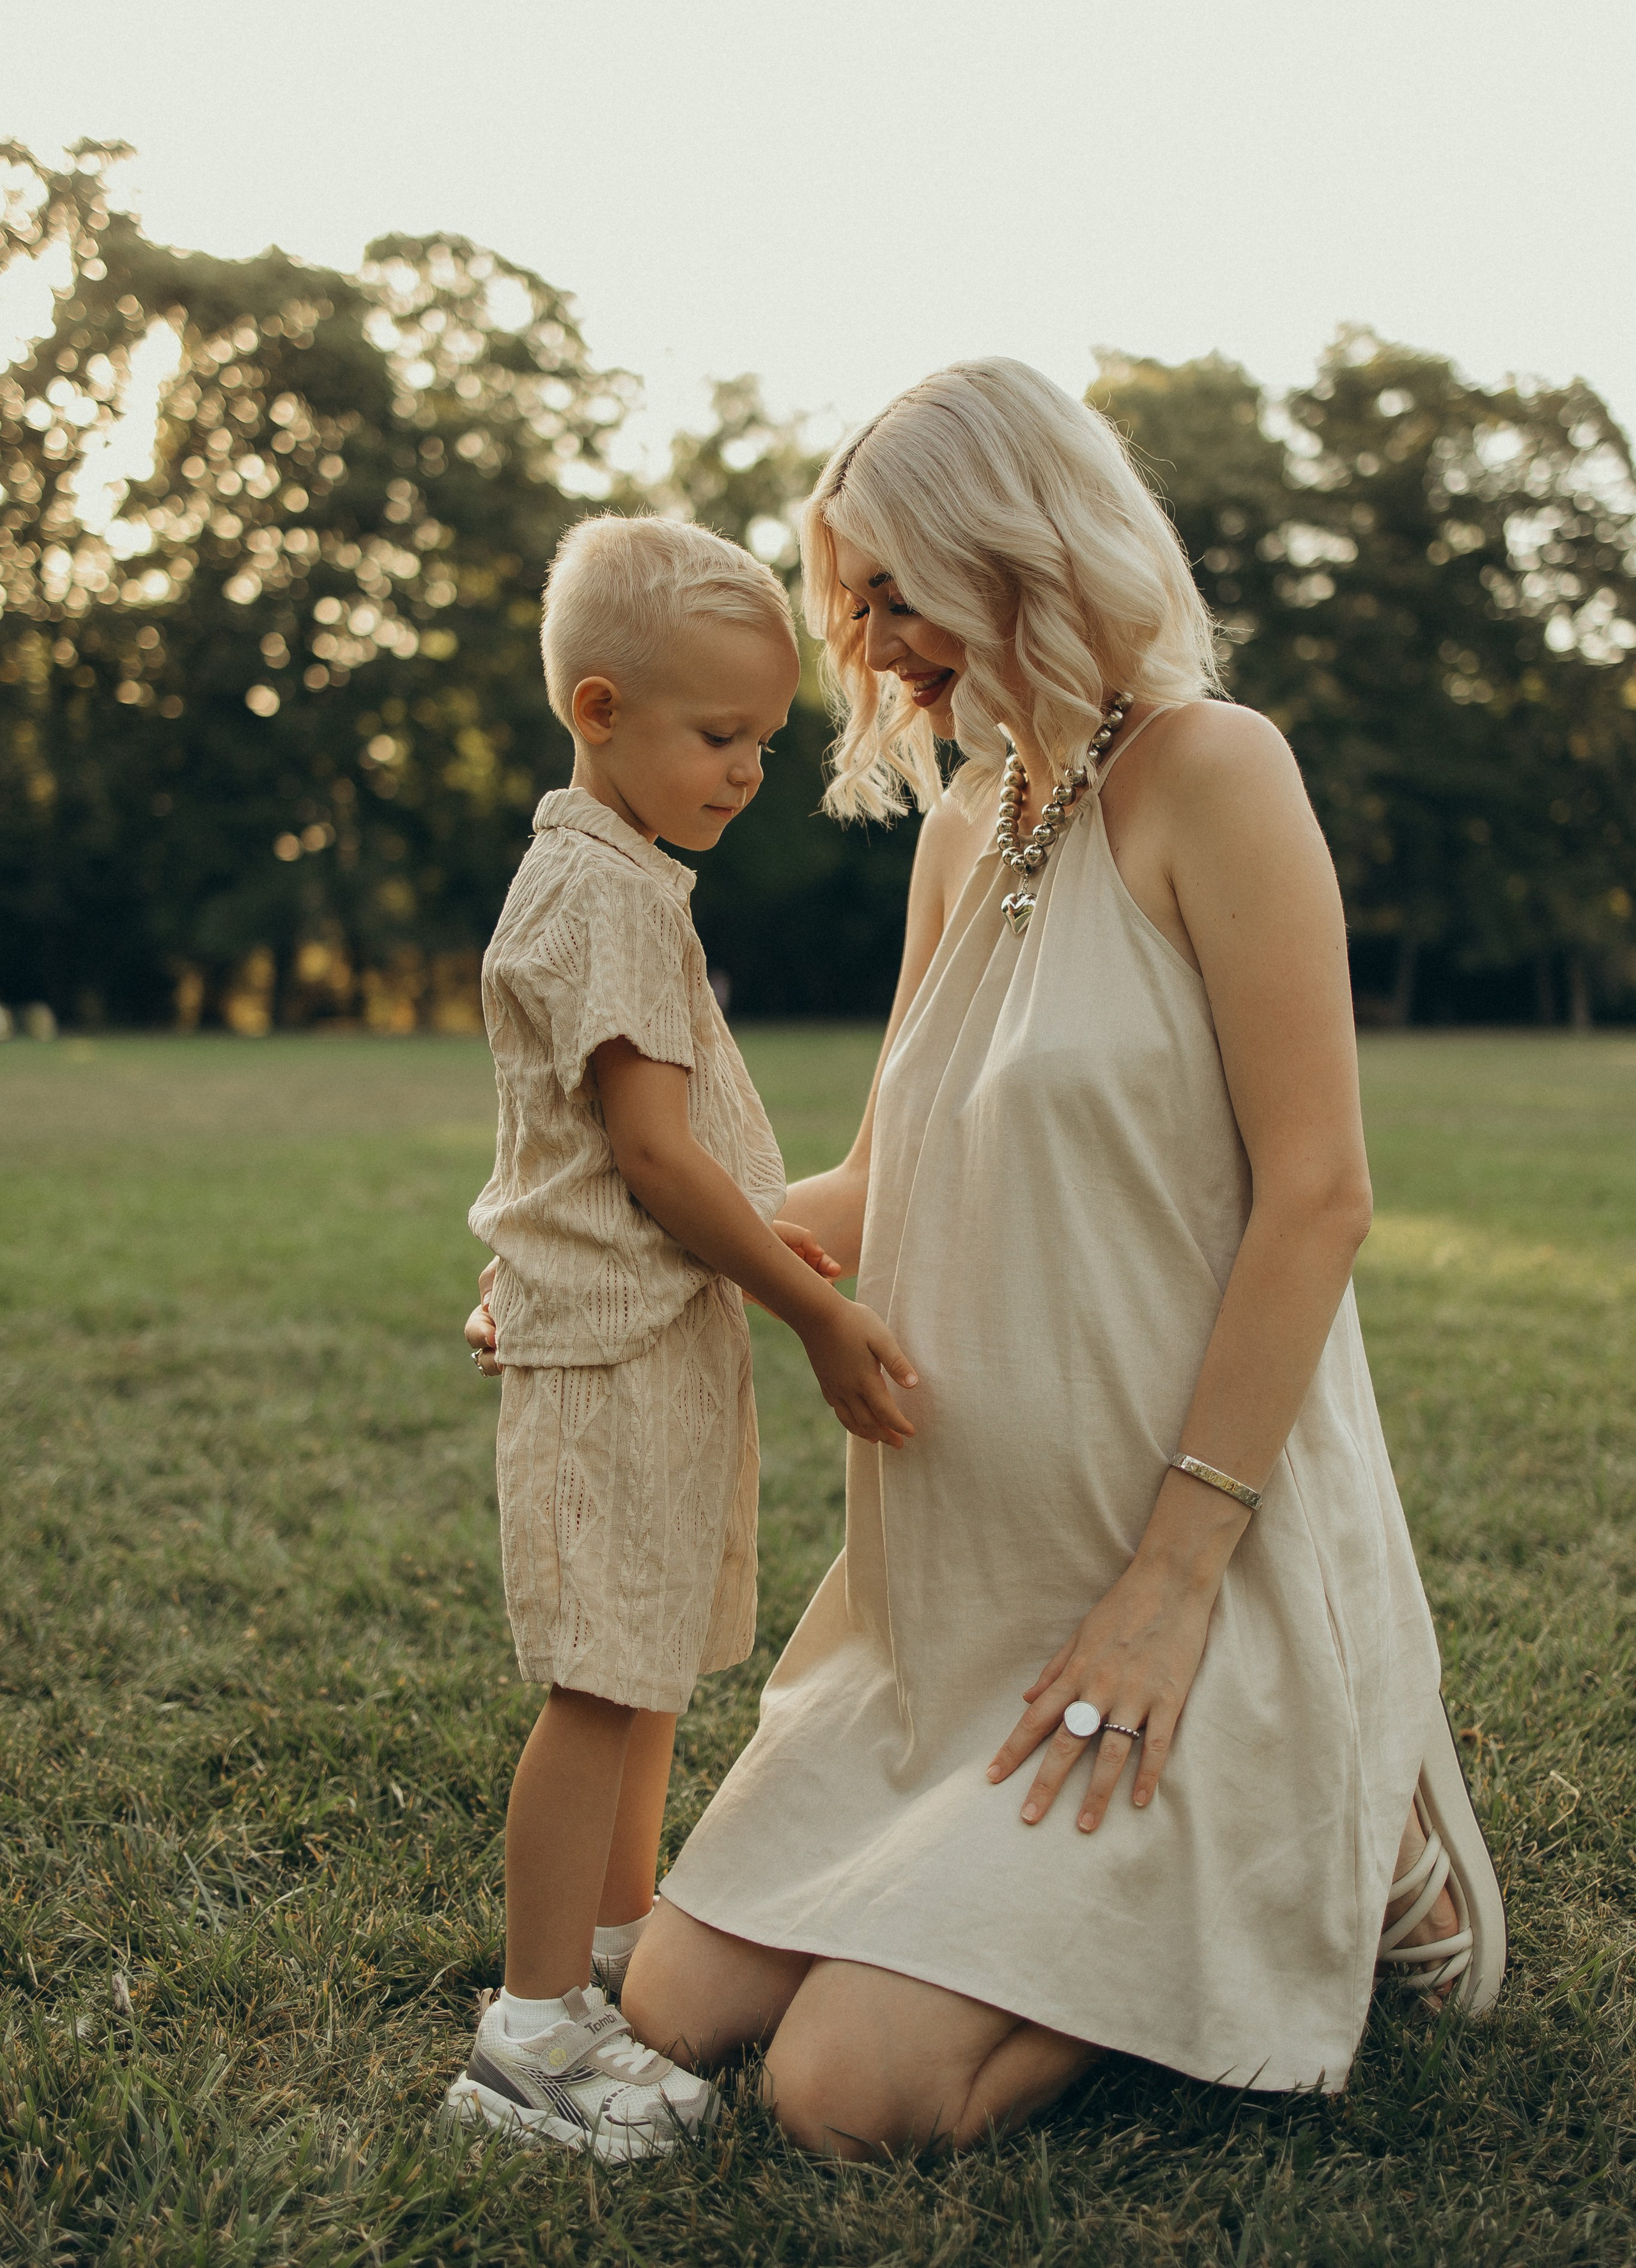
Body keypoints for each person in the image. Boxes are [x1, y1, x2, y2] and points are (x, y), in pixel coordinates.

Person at [621, 360, 1508, 2156]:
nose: (870, 645)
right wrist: (611, 1266)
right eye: (849, 600)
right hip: (959, 1599)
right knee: (673, 2003)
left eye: (893, 592)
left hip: (1181, 1582)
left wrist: (1172, 1579)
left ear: (1017, 545)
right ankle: (1020, 1896)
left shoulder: (1217, 773)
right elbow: (885, 1171)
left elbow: (1320, 1191)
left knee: (841, 2092)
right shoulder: (966, 825)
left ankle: (1350, 1843)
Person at [444, 515, 917, 2161]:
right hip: (613, 1354)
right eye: (718, 738)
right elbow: (648, 1158)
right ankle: (527, 2028)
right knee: (597, 1685)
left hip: (658, 1339)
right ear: (597, 708)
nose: (746, 772)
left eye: (765, 742)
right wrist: (816, 1308)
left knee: (644, 1668)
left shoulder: (625, 876)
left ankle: (617, 1947)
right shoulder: (602, 894)